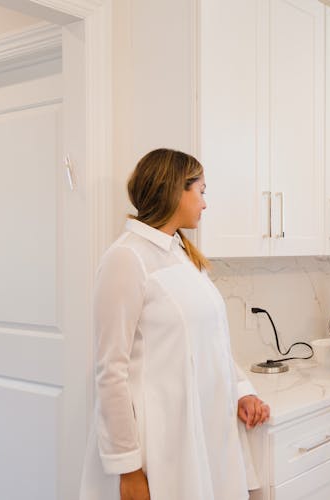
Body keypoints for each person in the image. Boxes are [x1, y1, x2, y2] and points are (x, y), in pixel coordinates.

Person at [79, 148, 270, 500]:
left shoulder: (180, 253)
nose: (205, 203)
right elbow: (110, 371)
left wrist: (241, 390)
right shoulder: (126, 258)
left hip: (203, 429)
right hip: (160, 443)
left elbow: (210, 341)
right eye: (201, 190)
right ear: (174, 191)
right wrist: (128, 468)